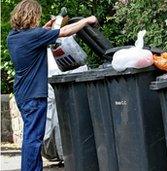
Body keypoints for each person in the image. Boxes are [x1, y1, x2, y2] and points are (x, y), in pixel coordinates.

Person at [6, 0, 98, 170]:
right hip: (34, 95)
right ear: (32, 16)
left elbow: (38, 36)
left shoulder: (13, 37)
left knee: (31, 137)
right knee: (33, 139)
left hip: (22, 93)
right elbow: (64, 31)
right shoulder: (34, 36)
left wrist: (46, 28)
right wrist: (86, 20)